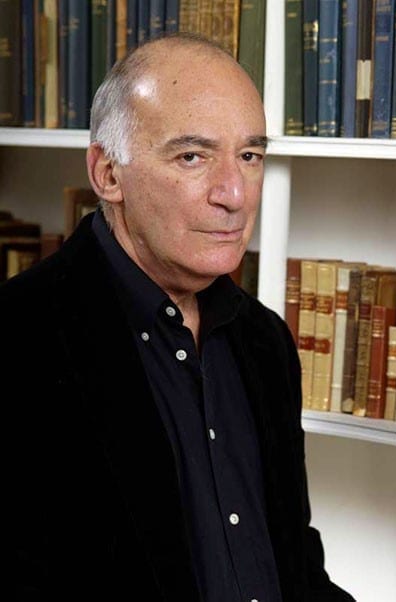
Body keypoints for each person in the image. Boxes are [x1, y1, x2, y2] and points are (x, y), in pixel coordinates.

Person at [7, 34, 356, 602]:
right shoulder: (21, 341)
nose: (234, 194)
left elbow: (294, 562)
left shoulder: (266, 341)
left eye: (249, 156)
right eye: (192, 156)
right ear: (108, 174)